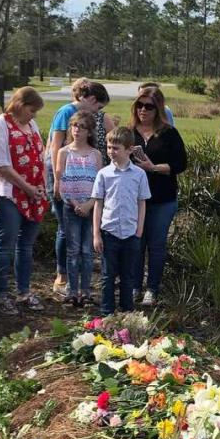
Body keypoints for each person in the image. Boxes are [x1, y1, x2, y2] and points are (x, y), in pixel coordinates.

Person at [46, 79, 110, 296]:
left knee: (78, 238)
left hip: (82, 187)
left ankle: (79, 284)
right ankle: (62, 276)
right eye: (98, 107)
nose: (98, 112)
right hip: (63, 179)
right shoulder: (67, 112)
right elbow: (56, 146)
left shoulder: (93, 149)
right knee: (65, 230)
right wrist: (57, 180)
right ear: (91, 99)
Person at [0, 86, 48, 313]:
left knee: (26, 246)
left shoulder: (31, 125)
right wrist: (27, 187)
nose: (34, 115)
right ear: (21, 105)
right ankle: (0, 294)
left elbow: (40, 157)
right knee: (5, 245)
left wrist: (40, 186)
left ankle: (24, 292)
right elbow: (0, 164)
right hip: (9, 194)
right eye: (32, 110)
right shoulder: (0, 124)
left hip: (34, 194)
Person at [130, 88, 187, 306]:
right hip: (134, 199)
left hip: (162, 197)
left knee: (156, 244)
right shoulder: (129, 132)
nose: (143, 110)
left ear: (158, 108)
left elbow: (180, 164)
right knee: (136, 243)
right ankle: (134, 286)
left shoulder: (168, 133)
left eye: (149, 106)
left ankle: (152, 289)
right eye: (140, 105)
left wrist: (153, 168)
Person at [91, 127, 150, 315]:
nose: (111, 152)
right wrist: (96, 234)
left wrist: (139, 230)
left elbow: (142, 203)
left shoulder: (139, 174)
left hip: (131, 233)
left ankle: (127, 312)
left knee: (128, 275)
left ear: (129, 149)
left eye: (116, 148)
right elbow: (98, 205)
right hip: (109, 233)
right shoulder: (104, 174)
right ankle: (107, 312)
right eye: (109, 147)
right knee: (108, 275)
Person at [55, 110, 102, 306]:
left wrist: (90, 204)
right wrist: (75, 204)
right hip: (71, 207)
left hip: (90, 207)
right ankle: (72, 291)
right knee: (73, 250)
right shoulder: (64, 152)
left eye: (82, 127)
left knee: (87, 250)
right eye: (74, 125)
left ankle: (86, 291)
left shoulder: (96, 154)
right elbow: (61, 181)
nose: (77, 130)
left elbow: (100, 183)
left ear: (89, 131)